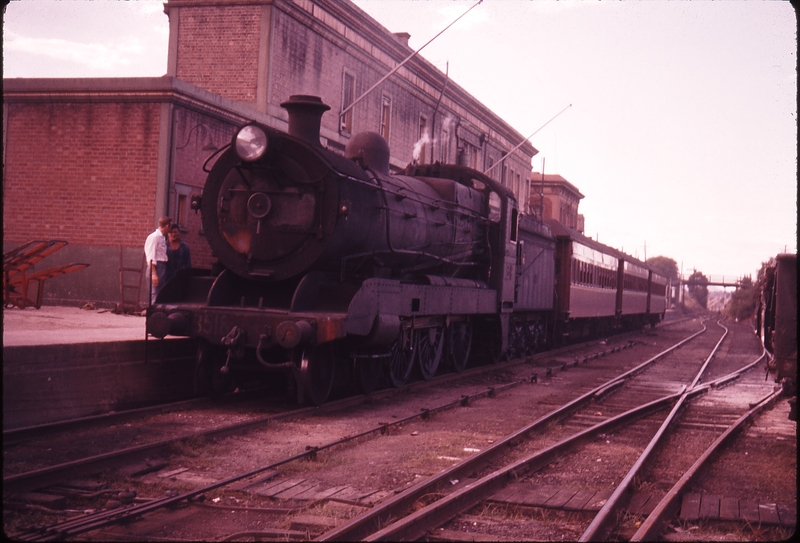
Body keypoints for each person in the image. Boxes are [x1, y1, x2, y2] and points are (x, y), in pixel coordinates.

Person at [144, 216, 171, 304]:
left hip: (162, 267)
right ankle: (154, 315)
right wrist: (154, 273)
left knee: (160, 293)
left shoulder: (162, 238)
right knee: (155, 293)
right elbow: (151, 256)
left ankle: (158, 313)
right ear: (167, 226)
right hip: (156, 268)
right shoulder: (154, 237)